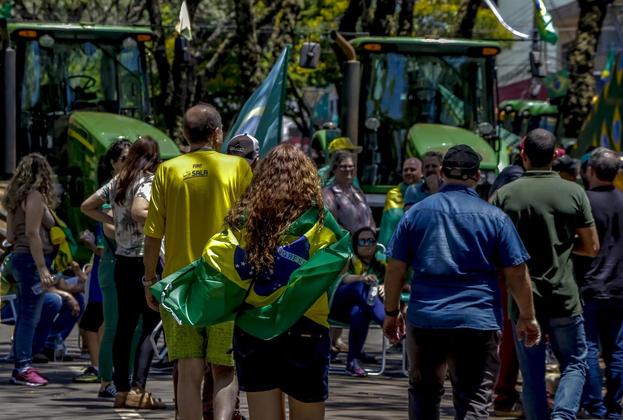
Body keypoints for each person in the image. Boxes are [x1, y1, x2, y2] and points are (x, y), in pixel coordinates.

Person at [384, 144, 541, 420]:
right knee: (473, 401)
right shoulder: (495, 217)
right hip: (477, 321)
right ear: (477, 176)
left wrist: (391, 312)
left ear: (442, 173)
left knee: (424, 394)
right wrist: (527, 317)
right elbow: (516, 272)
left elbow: (395, 268)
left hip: (426, 319)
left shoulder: (416, 213)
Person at [143, 104, 252, 420]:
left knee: (188, 368)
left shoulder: (168, 170)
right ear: (218, 134)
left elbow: (153, 235)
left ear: (184, 135)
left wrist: (149, 278)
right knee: (224, 368)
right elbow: (250, 226)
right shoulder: (238, 168)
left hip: (180, 284)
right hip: (227, 281)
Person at [222, 143, 346, 420]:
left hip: (254, 324)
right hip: (307, 323)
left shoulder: (243, 217)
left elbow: (225, 264)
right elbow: (341, 257)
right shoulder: (317, 217)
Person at [491, 128, 600, 420]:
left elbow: (492, 250)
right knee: (575, 363)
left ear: (523, 156)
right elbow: (591, 247)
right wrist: (564, 245)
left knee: (532, 375)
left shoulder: (504, 195)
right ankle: (563, 414)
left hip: (523, 301)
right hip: (564, 295)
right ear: (554, 156)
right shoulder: (574, 191)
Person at [81, 136, 164, 409]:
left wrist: (113, 219)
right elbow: (141, 211)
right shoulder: (147, 181)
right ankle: (138, 389)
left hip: (122, 261)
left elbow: (87, 206)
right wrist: (162, 221)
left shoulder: (118, 181)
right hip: (146, 259)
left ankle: (121, 389)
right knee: (151, 328)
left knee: (125, 327)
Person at [3, 153, 60, 386]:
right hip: (31, 261)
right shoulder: (35, 196)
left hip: (18, 259)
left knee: (28, 314)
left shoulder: (15, 199)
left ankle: (23, 363)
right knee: (29, 316)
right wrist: (42, 267)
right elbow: (32, 233)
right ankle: (23, 367)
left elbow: (9, 236)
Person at [575, 148, 623, 419]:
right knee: (617, 350)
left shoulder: (584, 201)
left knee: (589, 348)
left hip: (590, 285)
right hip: (619, 287)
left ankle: (595, 407)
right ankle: (614, 408)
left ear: (590, 171)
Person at [92, 139, 130, 398]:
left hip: (129, 265)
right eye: (125, 158)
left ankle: (125, 378)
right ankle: (106, 381)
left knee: (135, 326)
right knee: (114, 324)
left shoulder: (133, 189)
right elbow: (111, 230)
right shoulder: (109, 190)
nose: (131, 163)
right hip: (113, 266)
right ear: (114, 164)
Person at [329, 227, 385, 377]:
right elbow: (344, 278)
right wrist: (362, 278)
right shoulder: (348, 258)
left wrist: (385, 287)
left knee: (359, 312)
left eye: (371, 241)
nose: (368, 244)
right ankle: (387, 322)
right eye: (363, 241)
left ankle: (352, 363)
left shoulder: (380, 264)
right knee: (360, 286)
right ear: (355, 244)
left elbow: (401, 284)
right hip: (337, 306)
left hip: (362, 308)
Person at [322, 150, 375, 235]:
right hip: (346, 245)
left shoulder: (358, 191)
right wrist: (352, 241)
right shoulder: (328, 193)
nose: (348, 169)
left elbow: (370, 218)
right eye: (344, 166)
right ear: (334, 169)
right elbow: (333, 224)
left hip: (365, 244)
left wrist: (370, 236)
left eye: (351, 166)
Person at [377, 157, 422, 249]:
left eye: (412, 169)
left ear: (422, 172)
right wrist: (382, 250)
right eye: (405, 170)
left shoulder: (428, 192)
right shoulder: (393, 194)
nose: (408, 172)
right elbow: (388, 225)